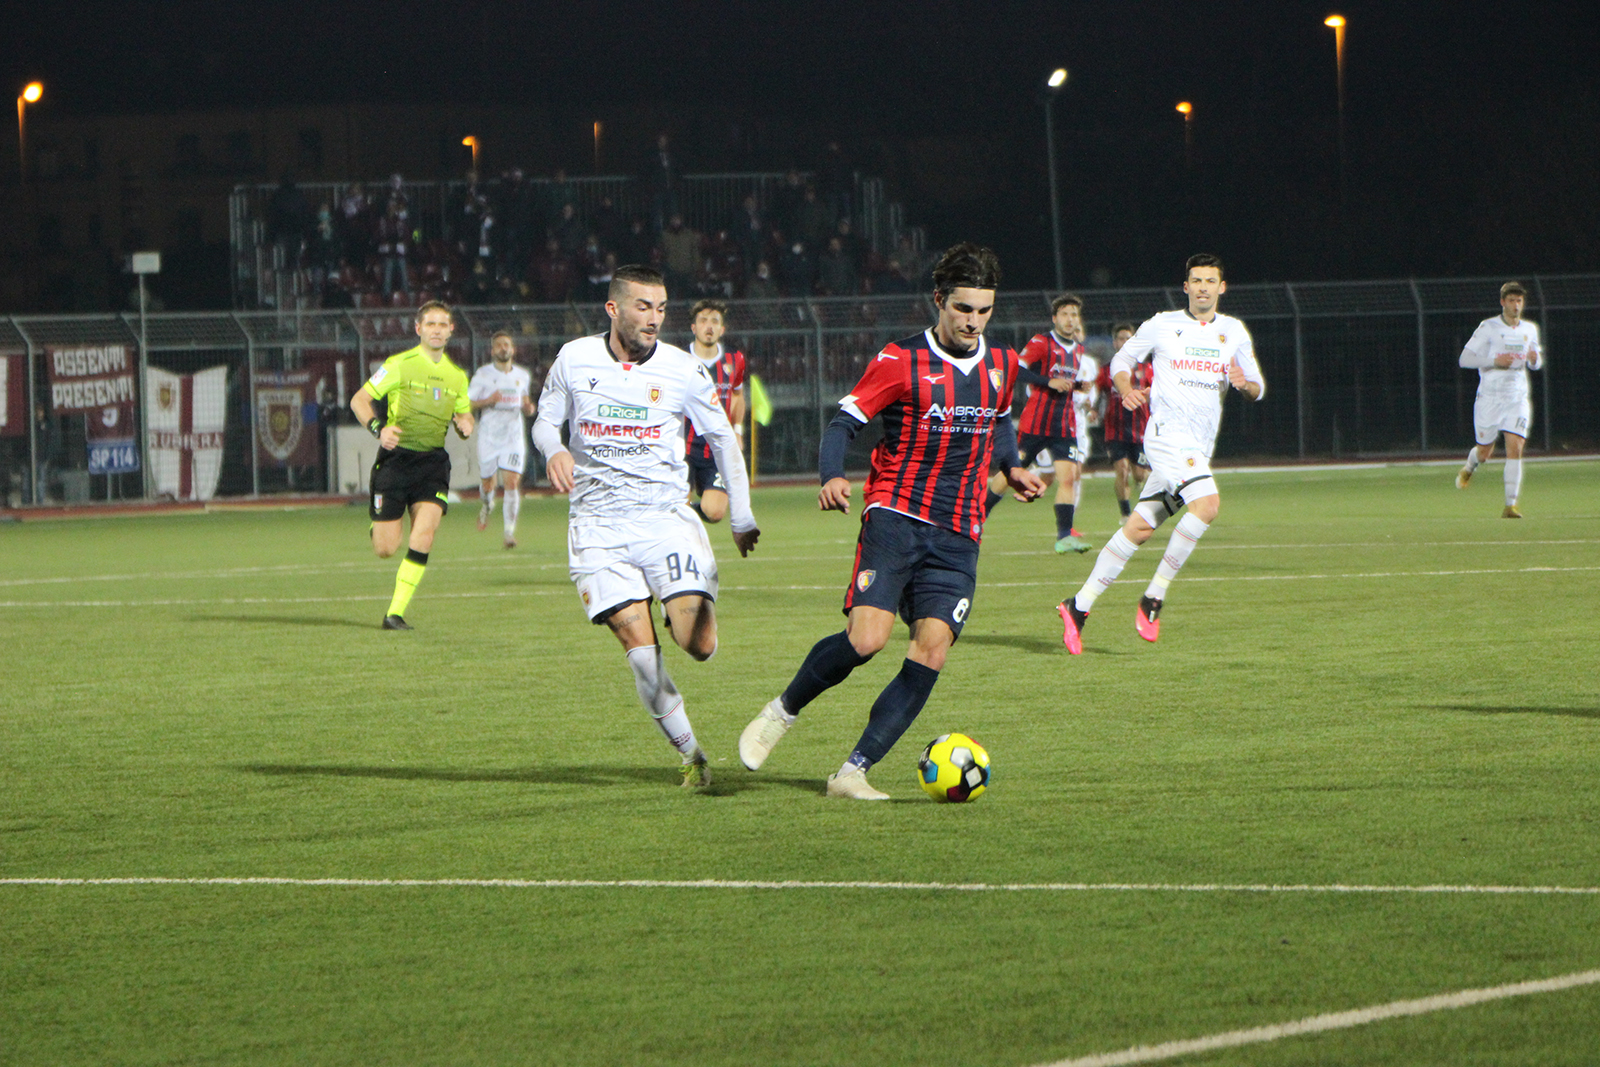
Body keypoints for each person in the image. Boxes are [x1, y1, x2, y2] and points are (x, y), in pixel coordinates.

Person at [738, 243, 1044, 799]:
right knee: (867, 639)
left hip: (960, 529)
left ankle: (852, 772)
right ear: (938, 300)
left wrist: (1012, 467)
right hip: (897, 513)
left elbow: (1000, 421)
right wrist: (832, 475)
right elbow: (843, 422)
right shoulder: (900, 360)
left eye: (983, 310)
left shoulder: (1001, 363)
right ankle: (782, 711)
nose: (973, 321)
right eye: (963, 308)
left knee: (932, 649)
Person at [532, 264, 760, 790]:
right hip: (597, 529)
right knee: (641, 655)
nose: (654, 318)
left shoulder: (682, 369)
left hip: (664, 522)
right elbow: (544, 421)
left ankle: (680, 598)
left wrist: (742, 516)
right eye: (643, 307)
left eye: (660, 308)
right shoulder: (575, 358)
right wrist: (555, 449)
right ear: (613, 309)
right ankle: (692, 757)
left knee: (698, 644)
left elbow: (722, 438)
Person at [1057, 254, 1264, 654]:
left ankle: (1077, 606)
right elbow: (1122, 360)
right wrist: (1125, 388)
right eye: (1196, 280)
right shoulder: (1162, 324)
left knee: (1139, 528)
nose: (1203, 287)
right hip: (1166, 437)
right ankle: (1154, 597)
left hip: (1197, 448)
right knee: (1207, 504)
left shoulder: (1233, 332)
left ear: (1222, 288)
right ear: (1185, 287)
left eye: (1210, 281)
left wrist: (1245, 384)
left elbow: (1256, 387)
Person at [350, 301, 475, 630]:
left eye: (442, 324)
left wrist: (466, 424)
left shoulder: (457, 376)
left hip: (432, 464)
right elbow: (359, 400)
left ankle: (394, 614)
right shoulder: (399, 365)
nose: (436, 330)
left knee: (424, 536)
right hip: (396, 462)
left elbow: (463, 413)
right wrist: (379, 429)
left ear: (451, 330)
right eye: (430, 324)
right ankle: (379, 525)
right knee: (386, 548)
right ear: (418, 329)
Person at [991, 293, 1091, 552]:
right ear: (1054, 318)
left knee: (1068, 478)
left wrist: (1076, 385)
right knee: (1010, 474)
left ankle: (1064, 537)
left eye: (1074, 314)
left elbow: (1062, 381)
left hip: (1064, 425)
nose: (1070, 319)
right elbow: (1015, 369)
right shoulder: (1041, 342)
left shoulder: (1078, 349)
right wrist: (1048, 382)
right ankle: (977, 514)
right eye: (1065, 314)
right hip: (1036, 423)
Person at [1455, 281, 1544, 518]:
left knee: (1515, 446)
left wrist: (1534, 359)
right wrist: (1494, 361)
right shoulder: (1488, 327)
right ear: (1503, 302)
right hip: (1490, 399)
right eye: (1511, 300)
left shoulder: (1530, 329)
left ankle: (1510, 505)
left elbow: (1536, 363)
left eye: (1519, 301)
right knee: (1485, 453)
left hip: (1517, 397)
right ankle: (1470, 466)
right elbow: (1464, 359)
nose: (1516, 305)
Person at [682, 299, 748, 523]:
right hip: (684, 448)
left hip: (717, 448)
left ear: (722, 329)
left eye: (714, 321)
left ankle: (683, 514)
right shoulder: (680, 360)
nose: (709, 326)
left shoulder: (735, 359)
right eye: (703, 321)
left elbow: (737, 395)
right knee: (677, 506)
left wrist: (738, 431)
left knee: (715, 512)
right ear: (694, 328)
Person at [469, 331, 537, 548]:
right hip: (489, 435)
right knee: (488, 483)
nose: (503, 348)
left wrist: (529, 408)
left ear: (513, 350)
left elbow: (525, 401)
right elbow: (468, 403)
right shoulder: (483, 375)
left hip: (513, 435)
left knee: (512, 482)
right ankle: (487, 505)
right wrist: (488, 401)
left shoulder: (522, 375)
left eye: (506, 344)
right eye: (499, 345)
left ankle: (509, 533)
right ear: (492, 351)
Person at [1099, 322, 1152, 519]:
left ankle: (1142, 482)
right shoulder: (1106, 370)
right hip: (1115, 429)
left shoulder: (1146, 369)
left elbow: (1156, 393)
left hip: (1140, 429)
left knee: (1139, 474)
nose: (1124, 342)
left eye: (1128, 338)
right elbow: (1096, 393)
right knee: (1121, 470)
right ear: (1114, 343)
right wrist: (1093, 409)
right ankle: (1126, 515)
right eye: (1121, 338)